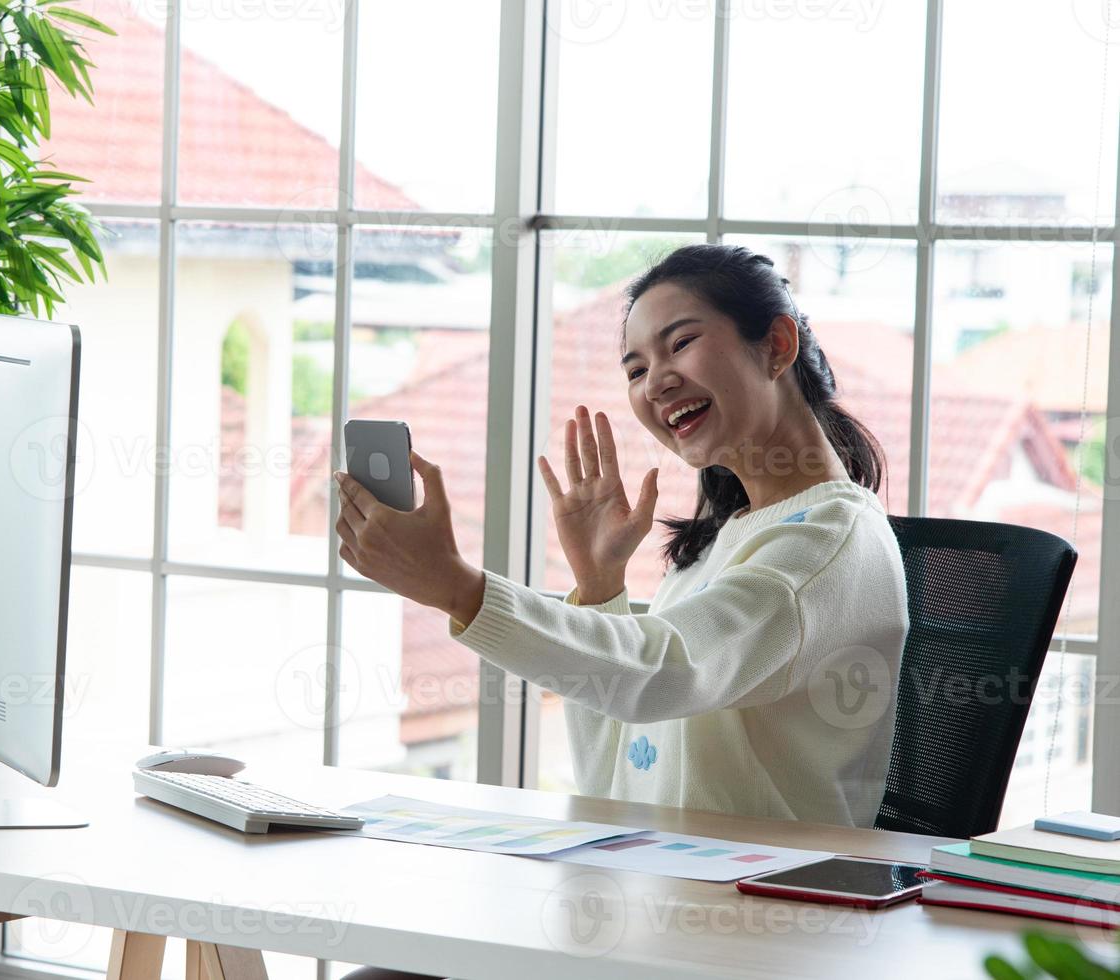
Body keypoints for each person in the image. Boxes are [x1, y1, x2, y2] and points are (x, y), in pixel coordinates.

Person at [332, 243, 908, 828]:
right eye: (635, 370)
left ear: (777, 346)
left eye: (680, 343)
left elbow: (666, 672)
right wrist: (599, 585)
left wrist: (457, 588)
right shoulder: (728, 540)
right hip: (662, 880)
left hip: (759, 900)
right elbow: (614, 774)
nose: (656, 382)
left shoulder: (826, 544)